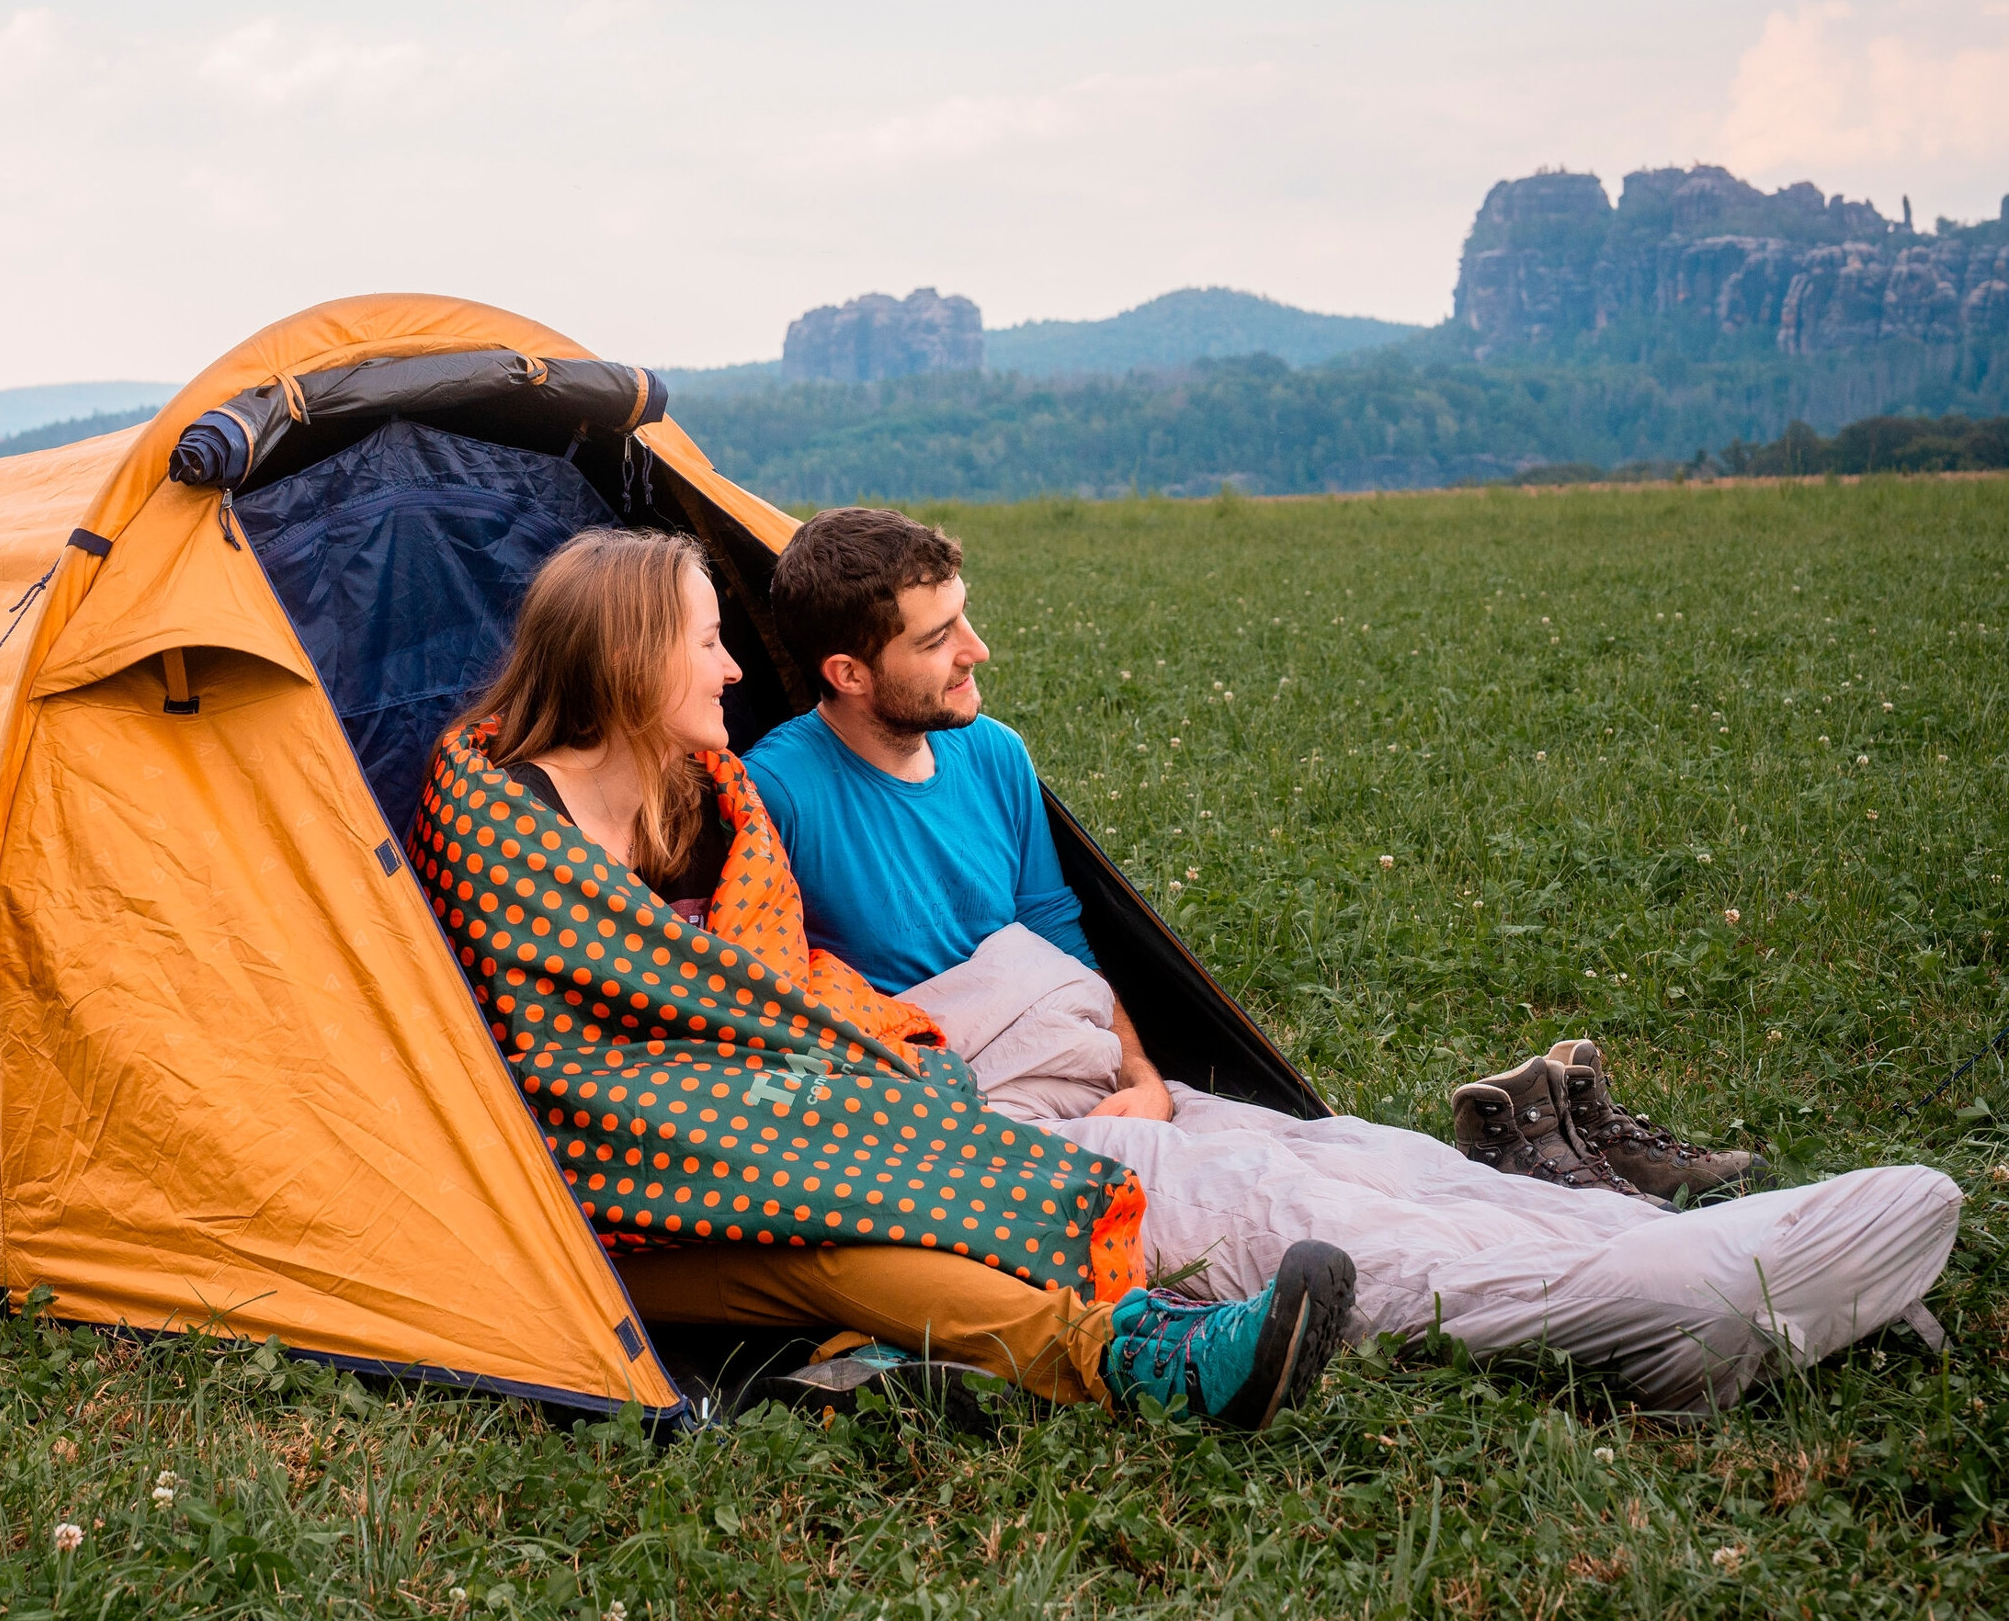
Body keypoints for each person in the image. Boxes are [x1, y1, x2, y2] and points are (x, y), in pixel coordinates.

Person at [744, 507, 1964, 1413]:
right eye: (939, 635)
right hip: (989, 1120)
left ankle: (1659, 1259)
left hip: (1097, 1071)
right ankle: (1660, 1311)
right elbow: (782, 1008)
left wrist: (1148, 1076)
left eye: (965, 616)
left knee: (1360, 1154)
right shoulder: (777, 794)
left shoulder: (991, 755)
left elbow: (1061, 946)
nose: (978, 651)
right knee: (1286, 1216)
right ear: (850, 673)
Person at [405, 527, 1355, 1427]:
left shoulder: (696, 805)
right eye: (708, 644)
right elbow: (559, 1063)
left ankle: (891, 1355)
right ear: (630, 656)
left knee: (853, 1157)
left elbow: (764, 979)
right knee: (829, 1225)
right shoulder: (501, 825)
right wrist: (757, 1105)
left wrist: (806, 1074)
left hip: (736, 1127)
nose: (734, 670)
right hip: (590, 1200)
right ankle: (1134, 1361)